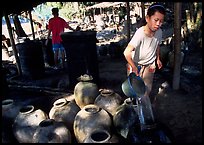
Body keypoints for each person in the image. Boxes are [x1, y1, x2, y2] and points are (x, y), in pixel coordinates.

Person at [123, 3, 166, 98]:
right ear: (147, 18)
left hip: (149, 65)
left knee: (146, 91)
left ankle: (144, 110)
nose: (158, 24)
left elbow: (157, 45)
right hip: (136, 65)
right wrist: (133, 67)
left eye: (161, 21)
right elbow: (126, 52)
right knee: (133, 92)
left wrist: (157, 59)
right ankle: (134, 110)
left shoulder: (159, 32)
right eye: (156, 20)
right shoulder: (140, 34)